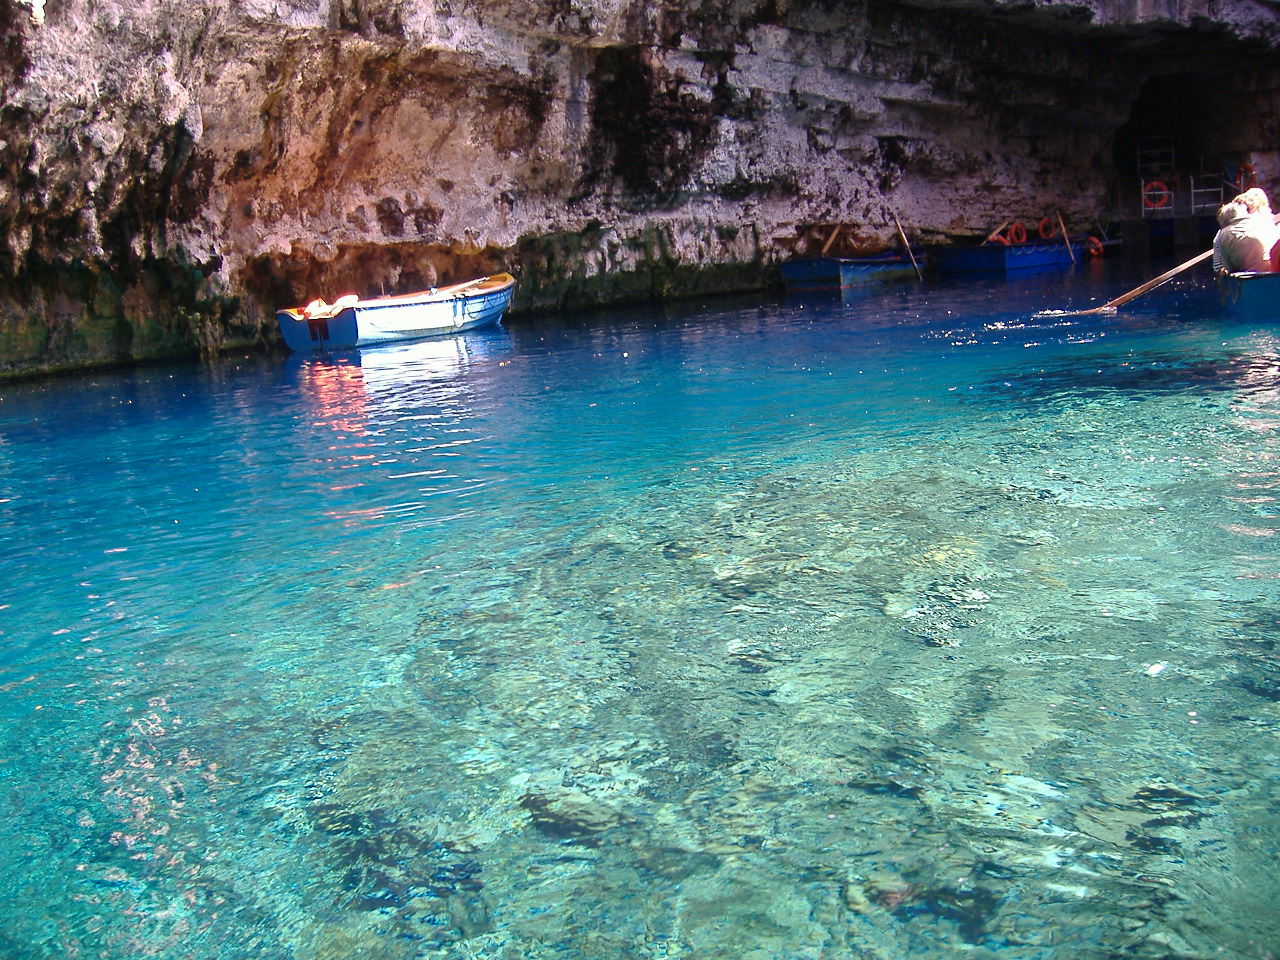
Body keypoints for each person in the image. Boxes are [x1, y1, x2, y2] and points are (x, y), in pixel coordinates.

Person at [1214, 188, 1280, 274]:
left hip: (1251, 274)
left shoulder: (1220, 236)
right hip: (1271, 273)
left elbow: (1220, 268)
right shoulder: (1268, 222)